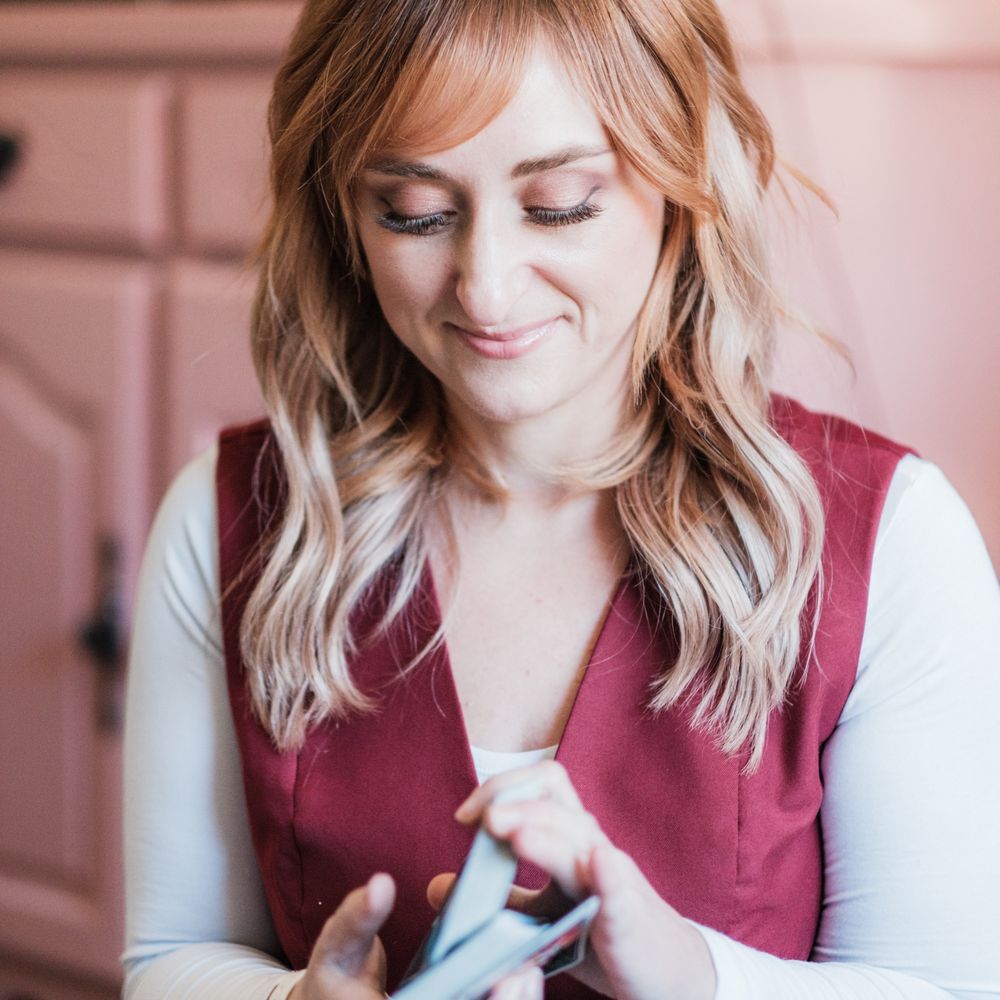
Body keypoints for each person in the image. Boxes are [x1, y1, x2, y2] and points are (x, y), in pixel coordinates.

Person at [121, 1, 1000, 998]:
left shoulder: (892, 543)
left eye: (561, 205)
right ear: (342, 217)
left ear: (685, 181)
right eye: (413, 211)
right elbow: (168, 959)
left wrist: (690, 974)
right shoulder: (229, 523)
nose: (486, 290)